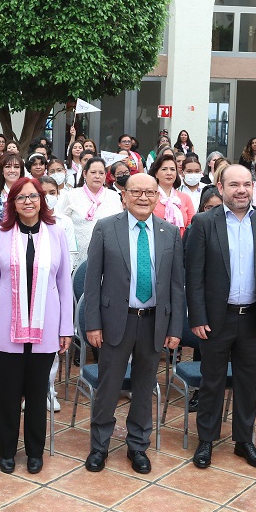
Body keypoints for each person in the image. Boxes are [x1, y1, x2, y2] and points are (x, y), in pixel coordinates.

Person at [83, 173, 184, 474]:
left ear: (158, 197)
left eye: (150, 193)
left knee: (144, 387)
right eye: (136, 192)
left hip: (154, 323)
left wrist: (175, 328)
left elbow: (176, 285)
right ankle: (99, 446)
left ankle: (138, 446)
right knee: (109, 387)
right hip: (116, 321)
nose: (143, 197)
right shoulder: (106, 228)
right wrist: (93, 324)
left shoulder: (169, 232)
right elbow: (92, 281)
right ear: (124, 196)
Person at [186, 164, 256, 469]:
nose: (241, 190)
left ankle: (244, 441)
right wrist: (197, 317)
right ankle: (206, 440)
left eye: (246, 184)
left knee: (247, 381)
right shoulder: (204, 222)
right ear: (220, 187)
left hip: (253, 318)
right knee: (212, 381)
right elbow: (194, 275)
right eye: (234, 185)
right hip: (217, 318)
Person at [0, 177, 73, 474]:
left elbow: (65, 284)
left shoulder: (56, 232)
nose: (28, 202)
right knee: (8, 393)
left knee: (37, 393)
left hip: (46, 328)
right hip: (7, 327)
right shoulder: (1, 235)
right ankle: (6, 451)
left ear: (41, 200)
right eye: (21, 197)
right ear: (13, 203)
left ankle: (35, 452)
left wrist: (66, 328)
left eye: (33, 196)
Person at [59, 158, 121, 269]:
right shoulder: (72, 195)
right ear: (85, 173)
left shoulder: (114, 196)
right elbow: (63, 225)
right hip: (79, 254)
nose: (97, 176)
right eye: (93, 172)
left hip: (108, 253)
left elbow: (119, 223)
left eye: (101, 173)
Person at [151, 155, 195, 236]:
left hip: (181, 242)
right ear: (156, 174)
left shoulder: (185, 198)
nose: (169, 173)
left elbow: (191, 226)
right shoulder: (150, 197)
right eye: (164, 169)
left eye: (172, 169)